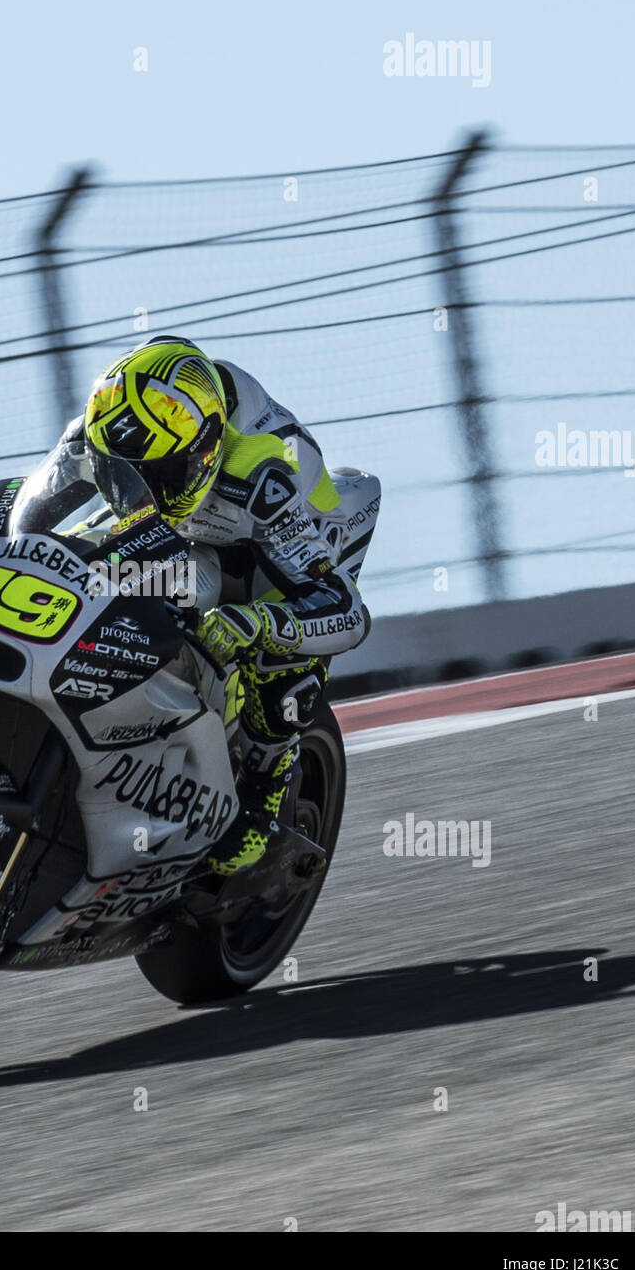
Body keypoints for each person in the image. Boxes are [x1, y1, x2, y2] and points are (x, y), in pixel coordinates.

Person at [80, 334, 372, 876]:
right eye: (122, 476)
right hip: (197, 534)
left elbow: (348, 611)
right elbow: (40, 505)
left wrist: (258, 621)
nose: (136, 492)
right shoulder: (120, 423)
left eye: (157, 477)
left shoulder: (261, 481)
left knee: (276, 651)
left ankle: (261, 810)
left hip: (289, 541)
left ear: (202, 453)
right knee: (100, 571)